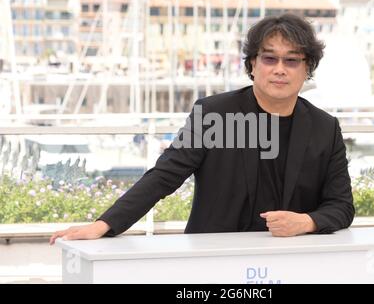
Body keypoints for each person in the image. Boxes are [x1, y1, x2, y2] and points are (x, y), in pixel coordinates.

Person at [50, 13, 354, 244]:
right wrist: (104, 225)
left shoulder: (325, 128)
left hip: (292, 261)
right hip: (211, 256)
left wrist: (306, 222)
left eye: (291, 61)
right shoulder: (214, 114)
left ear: (307, 68)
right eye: (269, 58)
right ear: (252, 64)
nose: (279, 69)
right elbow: (164, 176)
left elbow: (341, 206)